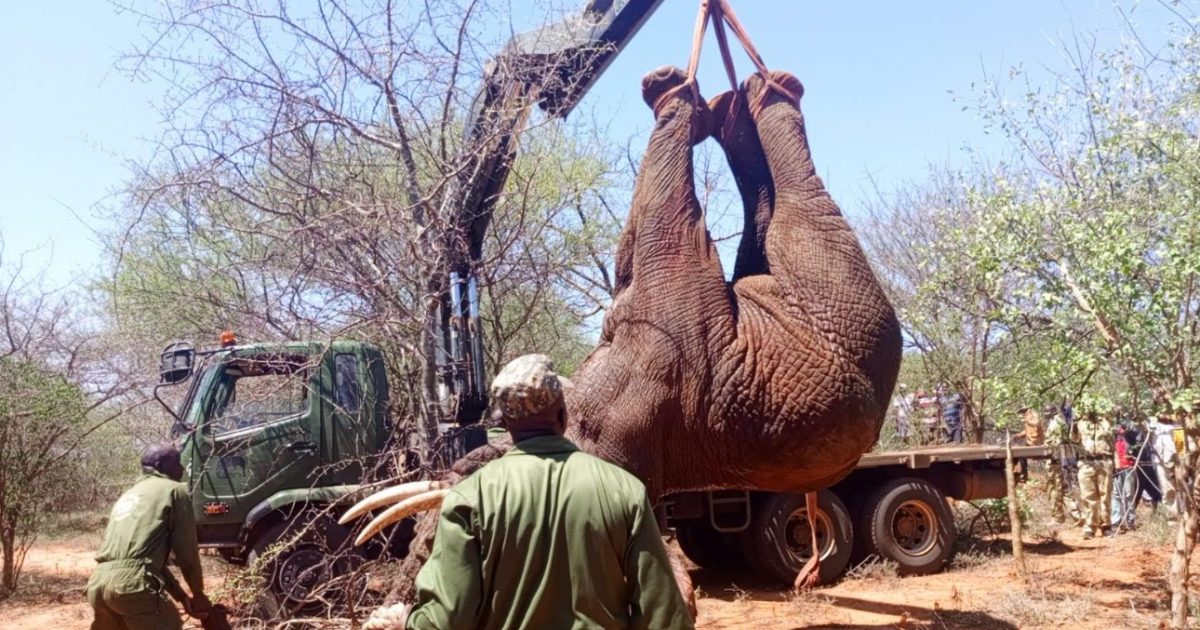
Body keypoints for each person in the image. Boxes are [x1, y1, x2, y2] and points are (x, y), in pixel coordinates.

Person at [394, 354, 693, 629]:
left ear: (508, 426)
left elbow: (447, 619)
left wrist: (408, 620)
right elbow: (663, 615)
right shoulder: (624, 490)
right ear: (563, 416)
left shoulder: (469, 500)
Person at [87, 443, 210, 630]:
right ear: (160, 465)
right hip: (132, 587)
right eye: (177, 462)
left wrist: (182, 598)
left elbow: (142, 564)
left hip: (99, 586)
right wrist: (198, 593)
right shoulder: (175, 490)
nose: (182, 468)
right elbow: (187, 554)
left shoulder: (128, 495)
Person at [1074, 405, 1115, 539]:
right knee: (1088, 496)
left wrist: (1115, 461)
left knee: (1105, 495)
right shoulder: (1079, 423)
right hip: (1086, 463)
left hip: (1104, 461)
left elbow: (1112, 442)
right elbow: (1073, 439)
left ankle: (1106, 525)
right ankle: (1090, 527)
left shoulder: (1106, 423)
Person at [1110, 421, 1140, 531]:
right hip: (1117, 468)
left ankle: (1130, 520)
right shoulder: (1113, 434)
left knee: (1129, 494)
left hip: (1129, 467)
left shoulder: (1132, 434)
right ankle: (1116, 521)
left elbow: (1136, 447)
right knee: (1116, 494)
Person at [1043, 406, 1070, 523]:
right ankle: (1057, 515)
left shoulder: (1057, 423)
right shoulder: (1055, 422)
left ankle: (1058, 516)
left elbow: (1058, 442)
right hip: (1053, 458)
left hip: (1055, 459)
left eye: (1048, 411)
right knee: (1053, 487)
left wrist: (1050, 451)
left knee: (1056, 487)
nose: (1046, 414)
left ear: (1053, 411)